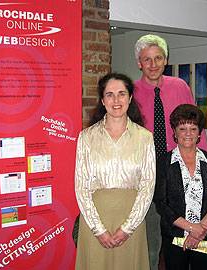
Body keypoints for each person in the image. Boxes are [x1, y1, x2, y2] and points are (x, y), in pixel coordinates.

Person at [133, 34, 207, 269]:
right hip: (145, 173)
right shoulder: (131, 93)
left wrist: (206, 167)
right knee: (150, 237)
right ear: (139, 62)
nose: (153, 64)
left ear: (165, 60)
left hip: (179, 170)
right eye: (147, 59)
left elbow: (196, 125)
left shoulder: (179, 86)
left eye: (158, 58)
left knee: (185, 229)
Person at [75, 72, 156, 270]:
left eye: (121, 93)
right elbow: (81, 187)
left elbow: (147, 185)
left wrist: (127, 228)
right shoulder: (86, 137)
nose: (116, 100)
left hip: (132, 219)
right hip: (95, 220)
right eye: (109, 94)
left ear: (130, 98)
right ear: (102, 100)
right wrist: (98, 229)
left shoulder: (144, 137)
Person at [154, 104, 207, 270]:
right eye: (182, 128)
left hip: (206, 234)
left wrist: (200, 230)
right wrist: (192, 228)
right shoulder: (164, 162)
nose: (188, 134)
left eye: (193, 129)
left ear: (199, 133)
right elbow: (161, 203)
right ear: (175, 132)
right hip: (175, 235)